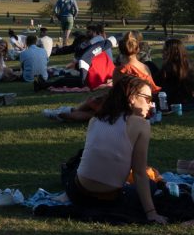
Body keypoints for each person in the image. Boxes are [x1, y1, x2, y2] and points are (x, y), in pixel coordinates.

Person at [63, 76, 167, 224]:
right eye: (148, 98)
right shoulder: (141, 125)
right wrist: (151, 213)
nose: (151, 105)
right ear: (132, 98)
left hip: (77, 193)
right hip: (108, 199)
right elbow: (139, 173)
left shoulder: (95, 119)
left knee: (76, 165)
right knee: (151, 185)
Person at [155, 38, 194, 105]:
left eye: (165, 50)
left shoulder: (169, 68)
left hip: (170, 100)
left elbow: (156, 84)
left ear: (172, 52)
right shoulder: (186, 65)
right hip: (186, 99)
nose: (162, 51)